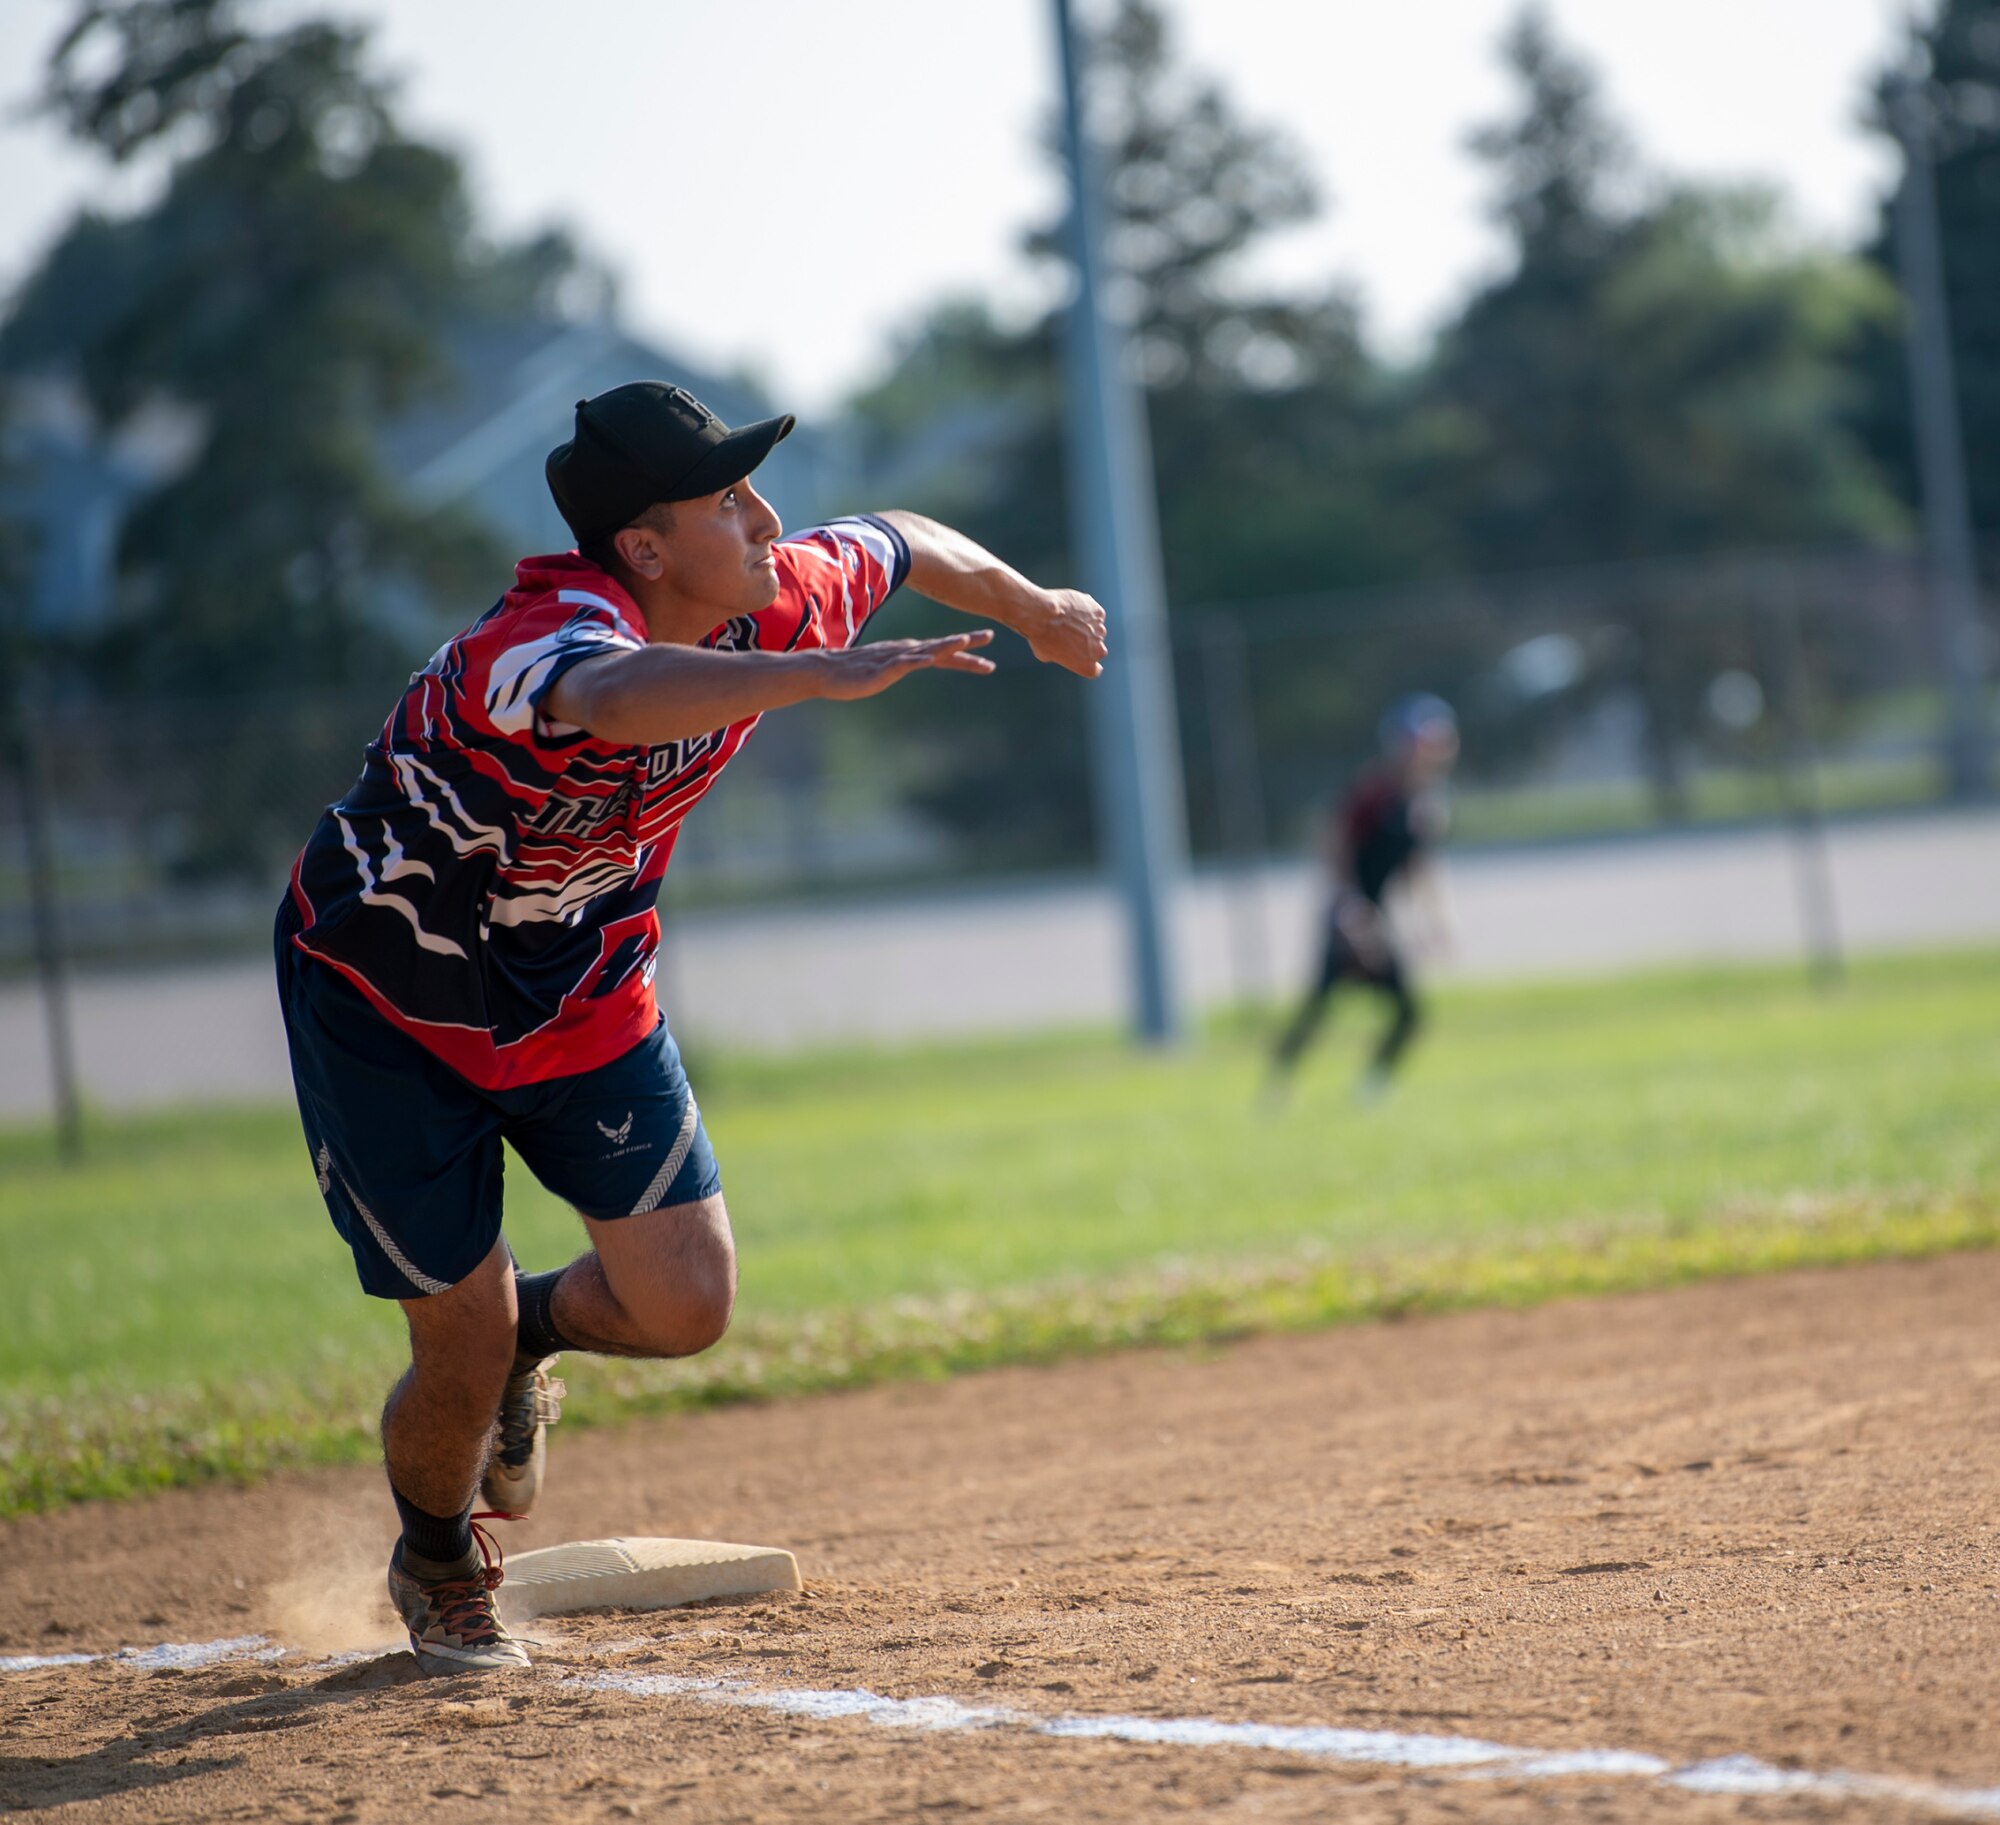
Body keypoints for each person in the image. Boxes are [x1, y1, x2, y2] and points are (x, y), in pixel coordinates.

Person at [274, 381, 1108, 1672]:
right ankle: (438, 1553)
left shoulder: (763, 594)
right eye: (729, 498)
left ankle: (529, 1342)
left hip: (582, 984)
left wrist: (1038, 608)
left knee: (686, 1303)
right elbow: (612, 697)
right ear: (646, 550)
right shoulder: (535, 640)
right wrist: (815, 678)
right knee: (457, 1331)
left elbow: (901, 534)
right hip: (391, 1002)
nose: (768, 517)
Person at [1268, 693, 1458, 1102]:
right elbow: (1333, 843)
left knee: (1408, 1012)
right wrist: (1351, 907)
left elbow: (1414, 867)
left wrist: (1432, 922)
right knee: (1320, 1006)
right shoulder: (1375, 791)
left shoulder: (1424, 803)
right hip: (1349, 913)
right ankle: (1277, 1088)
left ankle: (1371, 1089)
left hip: (1378, 914)